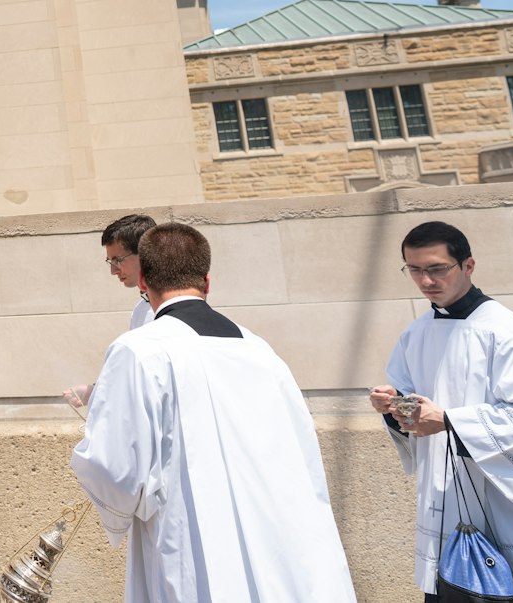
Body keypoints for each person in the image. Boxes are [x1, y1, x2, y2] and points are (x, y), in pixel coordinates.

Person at [71, 223, 355, 602]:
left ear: (144, 280)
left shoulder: (138, 350)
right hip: (281, 543)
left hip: (192, 540)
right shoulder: (260, 349)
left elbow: (114, 469)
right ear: (207, 280)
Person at [371, 221, 513, 602]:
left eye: (436, 268)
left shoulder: (512, 334)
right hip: (448, 502)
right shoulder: (415, 334)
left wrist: (449, 421)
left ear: (468, 266)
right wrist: (395, 405)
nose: (425, 280)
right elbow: (415, 409)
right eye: (414, 269)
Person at [66, 214, 159, 408]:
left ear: (146, 253)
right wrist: (93, 392)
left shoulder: (168, 308)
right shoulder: (141, 308)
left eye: (118, 260)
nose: (113, 271)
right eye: (110, 262)